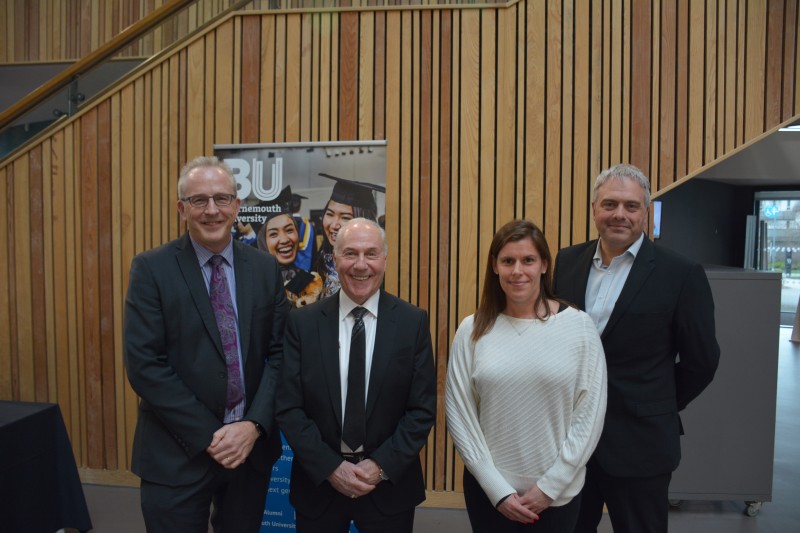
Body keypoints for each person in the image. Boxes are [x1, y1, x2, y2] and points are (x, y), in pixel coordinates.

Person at [124, 156, 290, 533]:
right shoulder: (151, 269)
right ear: (181, 209)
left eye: (221, 198)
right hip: (176, 452)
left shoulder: (265, 269)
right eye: (199, 200)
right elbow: (145, 364)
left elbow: (281, 355)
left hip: (250, 452)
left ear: (237, 206)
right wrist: (211, 436)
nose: (211, 210)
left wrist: (252, 426)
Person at [553, 163, 721, 533]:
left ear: (645, 213)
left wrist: (657, 401)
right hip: (570, 442)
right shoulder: (566, 263)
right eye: (610, 204)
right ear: (594, 208)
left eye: (631, 206)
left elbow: (702, 360)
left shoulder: (680, 274)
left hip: (641, 442)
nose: (620, 214)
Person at [446, 219, 607, 532]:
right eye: (508, 261)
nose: (517, 270)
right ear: (495, 266)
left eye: (528, 260)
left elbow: (589, 416)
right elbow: (460, 416)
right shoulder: (471, 330)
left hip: (557, 496)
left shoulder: (579, 327)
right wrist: (498, 491)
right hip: (490, 496)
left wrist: (549, 487)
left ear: (544, 265)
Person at [276, 217, 436, 533]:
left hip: (388, 490)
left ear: (385, 260)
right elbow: (289, 407)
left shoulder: (411, 323)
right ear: (335, 260)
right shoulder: (303, 324)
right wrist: (331, 467)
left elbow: (421, 410)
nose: (360, 265)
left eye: (371, 254)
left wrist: (379, 467)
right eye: (350, 253)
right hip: (319, 486)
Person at [314, 173, 386, 298]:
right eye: (330, 214)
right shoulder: (321, 259)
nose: (334, 225)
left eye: (345, 217)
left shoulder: (375, 266)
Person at [257, 186, 323, 308]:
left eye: (289, 230)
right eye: (273, 234)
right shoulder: (254, 283)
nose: (284, 240)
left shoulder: (308, 282)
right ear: (262, 241)